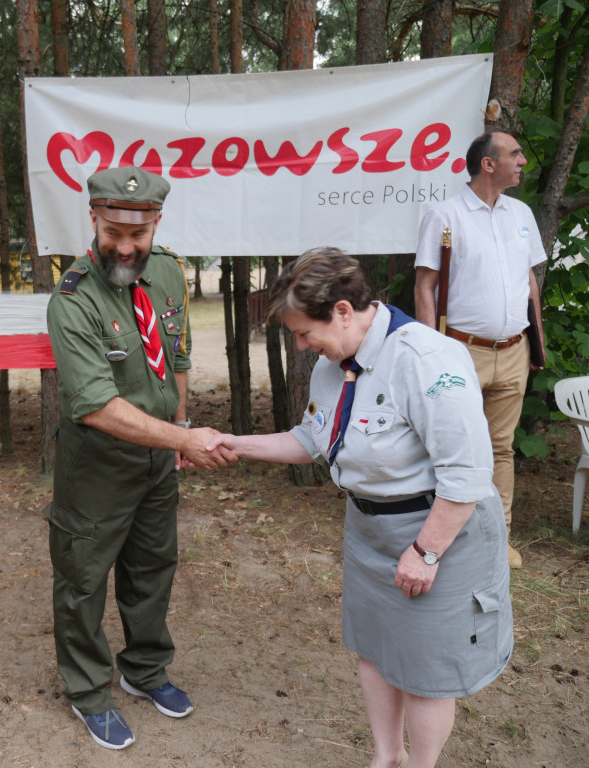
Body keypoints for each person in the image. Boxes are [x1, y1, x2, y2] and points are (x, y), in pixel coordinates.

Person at [208, 248, 513, 768]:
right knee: (373, 649)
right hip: (369, 531)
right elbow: (312, 438)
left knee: (425, 669)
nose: (302, 346)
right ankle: (385, 757)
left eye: (306, 333)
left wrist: (426, 552)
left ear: (345, 310)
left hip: (439, 532)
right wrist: (232, 443)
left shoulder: (425, 360)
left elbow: (465, 476)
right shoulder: (334, 365)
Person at [44, 165, 237, 750]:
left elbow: (176, 357)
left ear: (155, 223)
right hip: (99, 462)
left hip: (159, 456)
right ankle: (89, 691)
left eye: (138, 235)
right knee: (83, 577)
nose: (125, 248)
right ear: (95, 220)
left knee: (153, 565)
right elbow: (96, 405)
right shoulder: (72, 300)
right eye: (113, 234)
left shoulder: (169, 274)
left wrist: (178, 426)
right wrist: (186, 440)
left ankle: (145, 670)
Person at [414, 132, 547, 568]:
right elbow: (426, 286)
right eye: (515, 155)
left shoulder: (522, 214)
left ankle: (498, 539)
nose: (522, 161)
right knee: (453, 447)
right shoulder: (444, 215)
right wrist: (431, 351)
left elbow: (529, 284)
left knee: (501, 448)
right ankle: (447, 537)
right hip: (460, 352)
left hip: (513, 350)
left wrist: (537, 344)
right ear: (488, 165)